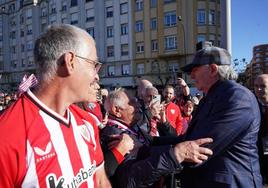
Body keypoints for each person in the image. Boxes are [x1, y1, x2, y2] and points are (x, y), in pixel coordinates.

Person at [0, 24, 111, 187]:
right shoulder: (7, 137)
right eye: (93, 64)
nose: (97, 76)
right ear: (70, 61)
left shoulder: (87, 122)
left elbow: (100, 180)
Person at [180, 46, 262, 188]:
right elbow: (189, 139)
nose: (191, 76)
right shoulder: (212, 97)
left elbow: (202, 146)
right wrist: (151, 142)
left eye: (195, 70)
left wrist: (149, 155)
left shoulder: (237, 98)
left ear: (212, 69)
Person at [101, 88, 213, 188]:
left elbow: (152, 142)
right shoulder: (114, 135)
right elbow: (130, 179)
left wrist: (183, 140)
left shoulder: (130, 127)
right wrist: (175, 155)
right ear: (117, 110)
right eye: (133, 102)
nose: (139, 105)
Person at [254, 74, 268, 186]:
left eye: (263, 86)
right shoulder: (249, 105)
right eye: (256, 86)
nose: (258, 89)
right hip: (257, 155)